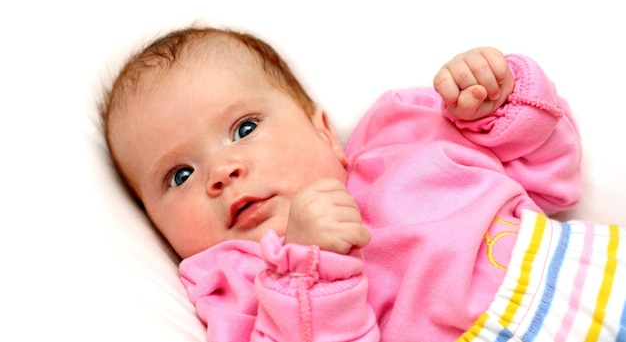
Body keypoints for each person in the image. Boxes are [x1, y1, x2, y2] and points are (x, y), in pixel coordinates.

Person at [99, 25, 626, 341]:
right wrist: (309, 271)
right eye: (179, 175)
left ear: (324, 132)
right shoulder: (235, 289)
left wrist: (497, 102)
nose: (221, 173)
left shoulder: (401, 136)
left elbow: (553, 178)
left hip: (599, 280)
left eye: (245, 128)